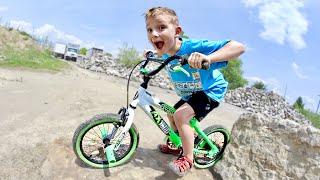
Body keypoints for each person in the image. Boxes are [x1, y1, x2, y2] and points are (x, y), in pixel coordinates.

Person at [144, 7, 245, 176]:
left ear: (177, 31)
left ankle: (188, 158)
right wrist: (152, 54)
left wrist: (208, 58)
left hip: (210, 91)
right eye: (149, 29)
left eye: (161, 27)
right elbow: (162, 54)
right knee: (172, 113)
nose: (154, 34)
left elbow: (238, 47)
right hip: (192, 94)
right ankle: (178, 145)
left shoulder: (193, 47)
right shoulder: (165, 52)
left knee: (181, 116)